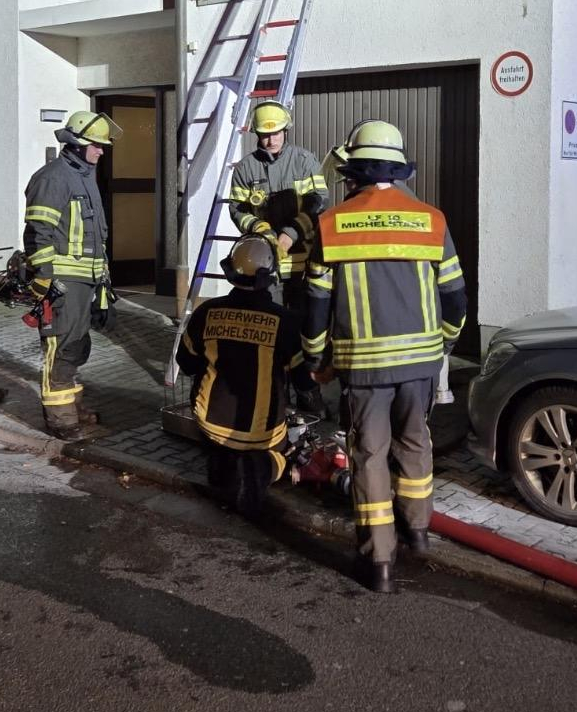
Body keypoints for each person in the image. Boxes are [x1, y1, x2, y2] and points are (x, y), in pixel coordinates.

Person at [302, 120, 467, 593]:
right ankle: (418, 531)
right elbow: (455, 299)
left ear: (353, 172)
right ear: (399, 171)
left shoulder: (331, 224)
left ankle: (380, 563)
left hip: (363, 368)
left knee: (370, 456)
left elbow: (315, 306)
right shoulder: (431, 220)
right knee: (415, 443)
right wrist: (444, 344)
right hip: (420, 365)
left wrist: (316, 359)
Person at [176, 235, 301, 521]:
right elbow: (304, 380)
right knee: (288, 450)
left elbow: (186, 363)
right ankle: (263, 469)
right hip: (263, 432)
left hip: (210, 424)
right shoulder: (286, 321)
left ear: (231, 272)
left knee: (221, 448)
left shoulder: (206, 312)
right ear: (269, 275)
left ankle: (222, 464)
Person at [22, 109, 122, 436]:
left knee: (77, 346)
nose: (101, 151)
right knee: (61, 347)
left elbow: (96, 236)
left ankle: (73, 406)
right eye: (96, 145)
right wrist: (44, 277)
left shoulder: (84, 176)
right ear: (77, 143)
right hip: (62, 283)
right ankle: (61, 420)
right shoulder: (53, 178)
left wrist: (103, 280)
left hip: (86, 281)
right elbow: (38, 232)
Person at [229, 99, 329, 414]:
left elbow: (318, 203)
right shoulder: (246, 168)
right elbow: (238, 210)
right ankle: (275, 394)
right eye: (264, 135)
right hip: (265, 267)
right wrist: (261, 230)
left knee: (303, 331)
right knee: (269, 329)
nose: (270, 140)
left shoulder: (304, 160)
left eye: (275, 133)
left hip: (301, 264)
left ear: (286, 130)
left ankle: (308, 392)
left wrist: (291, 233)